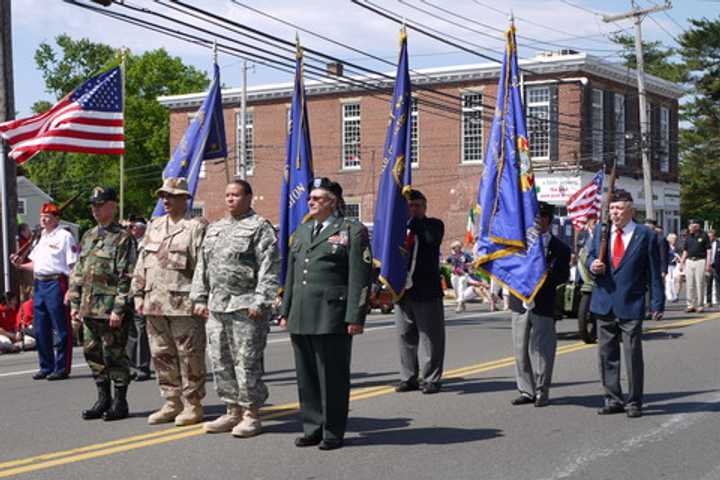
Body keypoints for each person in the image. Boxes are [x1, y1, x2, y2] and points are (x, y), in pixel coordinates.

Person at [279, 178, 372, 451]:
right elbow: (293, 275)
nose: (311, 202)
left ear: (332, 202)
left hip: (332, 314)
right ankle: (312, 427)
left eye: (317, 198)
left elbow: (360, 276)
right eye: (310, 198)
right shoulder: (303, 230)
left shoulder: (351, 230)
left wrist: (356, 315)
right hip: (301, 313)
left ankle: (332, 431)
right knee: (306, 376)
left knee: (332, 376)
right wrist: (285, 310)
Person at [191, 180, 280, 438]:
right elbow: (202, 266)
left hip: (245, 306)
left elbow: (269, 267)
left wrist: (261, 300)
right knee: (220, 360)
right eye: (228, 195)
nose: (231, 199)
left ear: (249, 197)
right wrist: (198, 298)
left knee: (247, 361)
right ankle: (231, 410)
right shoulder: (215, 229)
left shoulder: (260, 227)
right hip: (217, 306)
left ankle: (251, 413)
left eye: (236, 195)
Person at [131, 178, 207, 427]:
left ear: (185, 198)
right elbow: (142, 263)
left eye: (172, 196)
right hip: (154, 302)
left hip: (183, 304)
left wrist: (200, 298)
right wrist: (139, 294)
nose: (166, 200)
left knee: (189, 355)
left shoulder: (195, 227)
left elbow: (203, 268)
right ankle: (172, 401)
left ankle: (192, 404)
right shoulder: (154, 226)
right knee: (161, 354)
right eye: (163, 195)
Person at [588, 190, 664, 418]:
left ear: (631, 210)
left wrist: (657, 303)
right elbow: (589, 257)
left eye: (619, 208)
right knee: (606, 354)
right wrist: (594, 265)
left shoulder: (645, 235)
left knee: (632, 354)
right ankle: (613, 398)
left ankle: (634, 401)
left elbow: (653, 273)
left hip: (631, 302)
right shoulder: (601, 233)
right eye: (612, 209)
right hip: (604, 302)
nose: (615, 213)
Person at [69, 187, 136, 421]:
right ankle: (103, 399)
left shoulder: (123, 238)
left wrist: (119, 308)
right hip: (89, 308)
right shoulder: (88, 236)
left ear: (112, 206)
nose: (95, 209)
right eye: (93, 205)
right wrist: (75, 304)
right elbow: (78, 271)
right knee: (92, 354)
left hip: (109, 311)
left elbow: (127, 276)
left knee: (115, 355)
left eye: (100, 205)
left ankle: (120, 402)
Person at [508, 202, 571, 408]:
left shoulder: (560, 248)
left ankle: (542, 390)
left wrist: (540, 273)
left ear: (548, 220)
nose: (536, 220)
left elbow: (562, 275)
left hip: (543, 302)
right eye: (533, 216)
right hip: (520, 301)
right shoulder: (518, 244)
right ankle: (526, 390)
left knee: (542, 350)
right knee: (520, 348)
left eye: (541, 216)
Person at [10, 202, 78, 380]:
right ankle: (46, 365)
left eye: (47, 217)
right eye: (42, 217)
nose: (43, 220)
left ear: (56, 218)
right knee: (41, 328)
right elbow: (37, 264)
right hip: (39, 284)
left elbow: (72, 266)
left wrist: (70, 289)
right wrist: (20, 265)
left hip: (57, 283)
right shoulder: (40, 238)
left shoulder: (64, 237)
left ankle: (62, 367)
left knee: (61, 328)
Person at [394, 189, 446, 395]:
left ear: (424, 207)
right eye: (409, 206)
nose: (412, 209)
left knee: (430, 337)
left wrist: (411, 220)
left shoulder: (433, 225)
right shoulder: (398, 228)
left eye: (416, 206)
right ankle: (408, 377)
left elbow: (431, 239)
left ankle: (432, 378)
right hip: (402, 290)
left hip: (426, 289)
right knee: (405, 335)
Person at [125, 215, 152, 382]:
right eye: (131, 226)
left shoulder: (148, 243)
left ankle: (142, 366)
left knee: (140, 328)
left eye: (136, 226)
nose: (133, 228)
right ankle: (131, 365)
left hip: (142, 290)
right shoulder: (127, 242)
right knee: (129, 329)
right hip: (127, 289)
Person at [680, 219, 710, 313]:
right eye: (689, 226)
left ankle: (700, 305)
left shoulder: (704, 235)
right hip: (689, 261)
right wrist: (682, 261)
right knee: (689, 284)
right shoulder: (688, 236)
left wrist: (708, 263)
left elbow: (708, 250)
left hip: (700, 260)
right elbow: (685, 250)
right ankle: (690, 305)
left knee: (699, 283)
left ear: (697, 226)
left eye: (691, 226)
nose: (690, 228)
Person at [446, 240, 473, 313]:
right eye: (453, 247)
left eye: (455, 247)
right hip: (454, 275)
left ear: (459, 247)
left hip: (463, 274)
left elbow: (471, 262)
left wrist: (467, 266)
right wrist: (450, 267)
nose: (454, 249)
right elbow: (447, 263)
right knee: (456, 290)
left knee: (461, 288)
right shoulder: (451, 256)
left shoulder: (465, 255)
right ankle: (462, 303)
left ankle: (459, 305)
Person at [665, 233, 681, 303]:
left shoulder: (676, 247)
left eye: (676, 239)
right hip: (668, 265)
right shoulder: (667, 247)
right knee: (669, 280)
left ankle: (674, 295)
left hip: (675, 265)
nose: (675, 240)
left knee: (674, 280)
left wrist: (677, 258)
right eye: (674, 239)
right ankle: (669, 296)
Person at [705, 229, 719, 308]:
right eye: (708, 236)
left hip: (716, 266)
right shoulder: (705, 244)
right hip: (708, 266)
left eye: (711, 236)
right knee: (708, 284)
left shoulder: (718, 243)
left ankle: (719, 300)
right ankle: (708, 301)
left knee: (718, 284)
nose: (709, 238)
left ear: (714, 236)